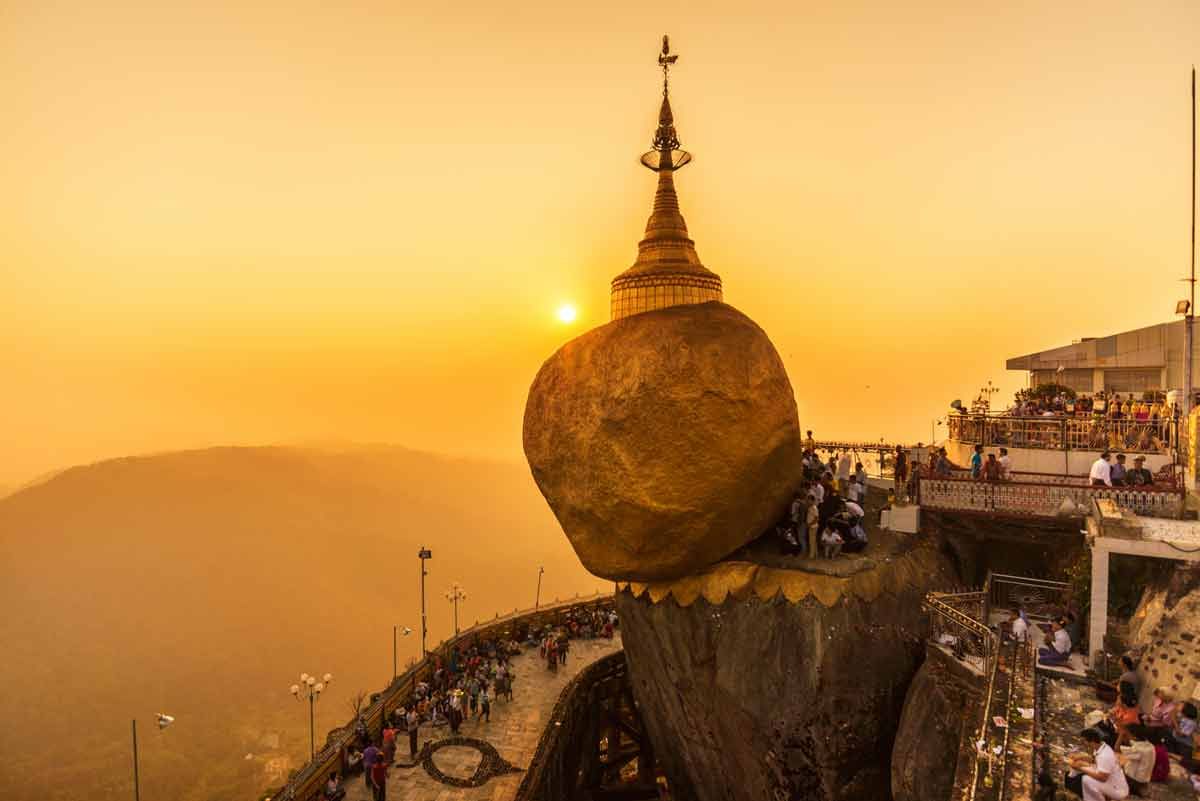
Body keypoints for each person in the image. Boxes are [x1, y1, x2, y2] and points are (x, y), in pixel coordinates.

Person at [1065, 727, 1129, 801]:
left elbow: (1102, 778)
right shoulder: (1102, 746)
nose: (1083, 744)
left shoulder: (1105, 755)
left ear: (1092, 741)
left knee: (1086, 779)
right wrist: (1081, 757)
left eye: (1084, 741)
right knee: (1082, 770)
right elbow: (1095, 760)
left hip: (1118, 789)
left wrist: (1080, 768)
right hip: (1111, 780)